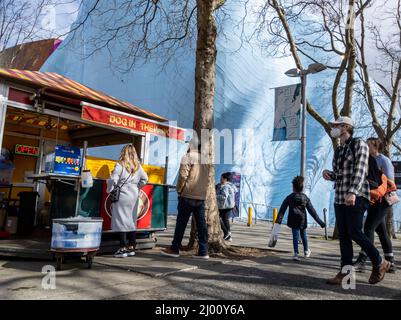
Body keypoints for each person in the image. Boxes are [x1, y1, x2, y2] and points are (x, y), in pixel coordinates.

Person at [323, 116, 390, 285]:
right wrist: (331, 175)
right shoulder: (339, 149)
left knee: (355, 232)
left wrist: (352, 192)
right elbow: (341, 174)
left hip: (357, 195)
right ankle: (346, 274)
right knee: (344, 236)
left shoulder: (359, 143)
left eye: (337, 126)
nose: (334, 128)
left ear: (346, 127)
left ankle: (380, 262)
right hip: (340, 196)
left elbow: (360, 170)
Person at [354, 137, 397, 273]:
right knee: (381, 231)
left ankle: (362, 260)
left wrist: (376, 187)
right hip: (372, 199)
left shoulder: (384, 160)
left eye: (368, 145)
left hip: (382, 201)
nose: (366, 147)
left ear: (375, 147)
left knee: (368, 228)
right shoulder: (366, 160)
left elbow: (390, 182)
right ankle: (390, 263)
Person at [161, 140, 210, 259]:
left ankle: (175, 248)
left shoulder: (187, 157)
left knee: (181, 223)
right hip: (201, 196)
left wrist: (179, 190)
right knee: (201, 225)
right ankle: (203, 251)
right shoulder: (206, 160)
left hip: (188, 194)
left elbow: (183, 176)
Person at [107, 144, 148, 258]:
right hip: (134, 196)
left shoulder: (120, 165)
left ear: (123, 152)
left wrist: (110, 188)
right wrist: (137, 187)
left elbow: (113, 179)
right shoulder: (138, 166)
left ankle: (123, 248)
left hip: (122, 196)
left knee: (121, 221)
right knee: (131, 220)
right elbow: (145, 179)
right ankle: (131, 246)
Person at [276, 176, 326, 261]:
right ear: (302, 188)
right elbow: (312, 212)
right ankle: (306, 251)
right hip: (302, 220)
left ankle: (296, 254)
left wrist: (278, 221)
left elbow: (282, 209)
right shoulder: (305, 198)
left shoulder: (289, 197)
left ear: (293, 187)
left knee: (295, 236)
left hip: (293, 219)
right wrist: (321, 223)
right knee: (303, 235)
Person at [216, 172, 237, 242]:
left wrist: (214, 196)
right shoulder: (230, 185)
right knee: (225, 220)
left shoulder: (225, 186)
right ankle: (228, 236)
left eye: (221, 178)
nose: (220, 180)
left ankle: (226, 232)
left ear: (225, 179)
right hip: (228, 206)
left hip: (225, 206)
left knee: (217, 218)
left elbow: (224, 197)